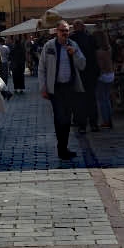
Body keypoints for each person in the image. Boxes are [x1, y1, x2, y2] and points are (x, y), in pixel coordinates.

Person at [38, 21, 86, 161]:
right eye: (62, 30)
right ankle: (61, 149)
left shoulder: (73, 45)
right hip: (56, 88)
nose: (64, 33)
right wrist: (43, 87)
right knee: (60, 118)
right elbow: (42, 67)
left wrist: (75, 53)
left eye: (66, 30)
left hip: (70, 87)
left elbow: (83, 65)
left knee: (67, 118)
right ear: (56, 31)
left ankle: (64, 147)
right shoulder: (49, 46)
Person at [71, 20, 99, 133]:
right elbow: (95, 55)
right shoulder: (91, 38)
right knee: (91, 99)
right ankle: (94, 124)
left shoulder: (71, 39)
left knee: (79, 100)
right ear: (83, 27)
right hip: (91, 72)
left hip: (78, 73)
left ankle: (82, 125)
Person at [94, 31, 115, 129]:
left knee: (102, 100)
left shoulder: (98, 52)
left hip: (103, 75)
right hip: (111, 74)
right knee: (107, 98)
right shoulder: (109, 49)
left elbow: (100, 66)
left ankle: (106, 121)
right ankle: (109, 119)